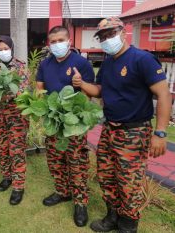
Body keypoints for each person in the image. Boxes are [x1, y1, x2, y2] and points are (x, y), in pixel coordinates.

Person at [72, 17, 172, 233]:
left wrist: (160, 133)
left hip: (134, 131)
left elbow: (163, 94)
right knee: (106, 175)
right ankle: (112, 216)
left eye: (110, 34)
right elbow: (99, 91)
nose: (107, 39)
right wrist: (81, 84)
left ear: (123, 32)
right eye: (103, 37)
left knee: (129, 182)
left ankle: (128, 225)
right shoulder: (107, 63)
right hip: (109, 130)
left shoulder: (142, 59)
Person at [36, 26, 95, 227]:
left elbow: (89, 96)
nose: (57, 44)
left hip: (74, 125)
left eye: (61, 40)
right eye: (53, 41)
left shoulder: (81, 63)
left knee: (77, 163)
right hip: (54, 122)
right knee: (55, 159)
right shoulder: (45, 64)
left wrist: (80, 85)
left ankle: (81, 203)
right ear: (49, 44)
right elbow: (39, 89)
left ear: (69, 41)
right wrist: (40, 103)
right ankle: (62, 192)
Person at [0, 35, 29, 205]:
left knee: (16, 150)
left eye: (5, 48)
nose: (2, 52)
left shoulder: (20, 66)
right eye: (0, 49)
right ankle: (7, 177)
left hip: (16, 116)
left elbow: (23, 91)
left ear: (11, 49)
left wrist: (5, 94)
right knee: (2, 147)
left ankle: (18, 186)